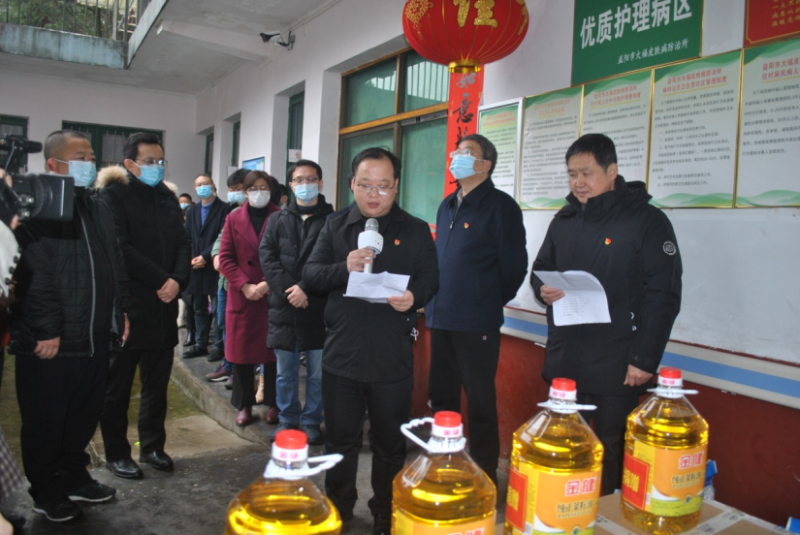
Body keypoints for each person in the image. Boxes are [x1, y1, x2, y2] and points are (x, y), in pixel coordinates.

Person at [530, 133, 682, 494]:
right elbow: (540, 270)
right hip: (567, 357)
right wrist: (543, 290)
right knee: (567, 445)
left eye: (586, 173)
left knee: (611, 449)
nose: (578, 183)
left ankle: (608, 517)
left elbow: (662, 296)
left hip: (618, 361)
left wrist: (644, 359)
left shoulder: (646, 221)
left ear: (612, 171)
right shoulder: (565, 219)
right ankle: (567, 514)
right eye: (572, 174)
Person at [303, 147, 439, 535]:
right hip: (342, 356)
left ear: (396, 186)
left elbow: (431, 278)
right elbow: (311, 275)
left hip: (391, 356)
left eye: (382, 186)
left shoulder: (415, 230)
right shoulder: (334, 226)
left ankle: (385, 510)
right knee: (339, 442)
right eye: (365, 185)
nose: (374, 194)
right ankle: (339, 506)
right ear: (352, 184)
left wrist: (414, 297)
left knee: (390, 444)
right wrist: (342, 267)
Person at [9, 130, 130, 522]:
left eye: (91, 157)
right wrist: (46, 328)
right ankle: (46, 490)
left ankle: (75, 477)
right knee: (46, 421)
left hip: (94, 335)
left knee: (82, 415)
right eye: (80, 156)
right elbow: (33, 272)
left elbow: (114, 262)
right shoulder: (37, 206)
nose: (89, 163)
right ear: (53, 164)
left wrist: (120, 312)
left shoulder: (97, 205)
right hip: (53, 340)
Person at [424, 133, 527, 485]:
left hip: (477, 322)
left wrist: (486, 299)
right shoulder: (447, 205)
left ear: (486, 164)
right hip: (440, 317)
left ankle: (484, 473)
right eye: (457, 151)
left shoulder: (501, 207)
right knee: (442, 396)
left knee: (480, 400)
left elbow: (514, 266)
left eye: (467, 152)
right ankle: (444, 460)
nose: (458, 157)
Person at [97, 132, 191, 480]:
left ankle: (152, 446)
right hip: (129, 305)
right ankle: (117, 452)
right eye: (149, 161)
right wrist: (161, 279)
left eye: (160, 161)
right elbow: (119, 247)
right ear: (129, 164)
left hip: (163, 307)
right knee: (117, 388)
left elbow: (183, 242)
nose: (156, 167)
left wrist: (178, 280)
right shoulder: (113, 196)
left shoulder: (166, 196)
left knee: (156, 385)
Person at [260, 159, 333, 445]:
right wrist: (290, 290)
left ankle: (312, 421)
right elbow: (267, 256)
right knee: (285, 373)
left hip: (318, 306)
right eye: (299, 180)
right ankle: (288, 420)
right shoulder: (277, 219)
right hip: (284, 307)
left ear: (320, 183)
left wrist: (306, 288)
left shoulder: (332, 220)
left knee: (317, 374)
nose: (305, 184)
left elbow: (334, 263)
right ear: (291, 185)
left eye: (311, 179)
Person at [218, 171, 280, 427]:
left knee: (274, 354)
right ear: (245, 192)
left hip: (272, 293)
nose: (259, 192)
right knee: (242, 353)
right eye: (253, 188)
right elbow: (225, 258)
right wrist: (244, 285)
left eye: (264, 187)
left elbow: (286, 256)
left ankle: (275, 402)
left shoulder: (280, 216)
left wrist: (265, 284)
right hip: (242, 295)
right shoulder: (233, 218)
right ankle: (244, 404)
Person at [205, 169, 248, 387]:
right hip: (225, 281)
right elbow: (220, 240)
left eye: (237, 189)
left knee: (242, 328)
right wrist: (216, 255)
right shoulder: (232, 213)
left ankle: (240, 370)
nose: (233, 194)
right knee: (224, 323)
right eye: (231, 189)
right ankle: (228, 363)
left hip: (244, 282)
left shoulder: (262, 216)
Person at [183, 174, 231, 360]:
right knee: (199, 308)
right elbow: (187, 236)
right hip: (196, 265)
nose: (202, 187)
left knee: (218, 308)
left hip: (215, 265)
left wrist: (205, 256)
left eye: (206, 184)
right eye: (199, 185)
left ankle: (218, 346)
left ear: (213, 185)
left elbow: (223, 236)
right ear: (195, 188)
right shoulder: (192, 211)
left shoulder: (224, 209)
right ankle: (200, 344)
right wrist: (192, 258)